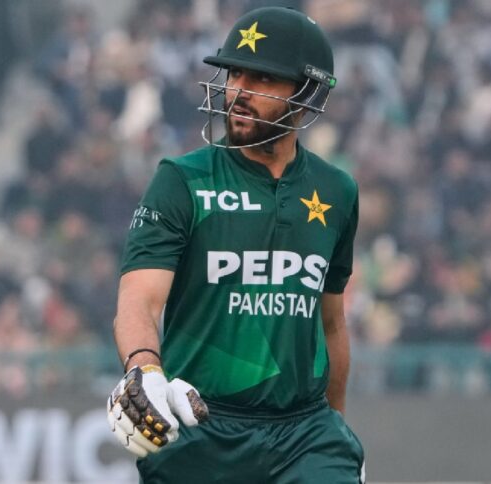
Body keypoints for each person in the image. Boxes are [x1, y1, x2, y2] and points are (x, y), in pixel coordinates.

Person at [106, 7, 364, 483]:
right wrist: (145, 370)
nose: (239, 92)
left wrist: (338, 429)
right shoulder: (181, 180)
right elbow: (138, 299)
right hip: (199, 426)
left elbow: (332, 323)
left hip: (305, 433)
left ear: (305, 94)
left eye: (263, 79)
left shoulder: (337, 191)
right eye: (234, 73)